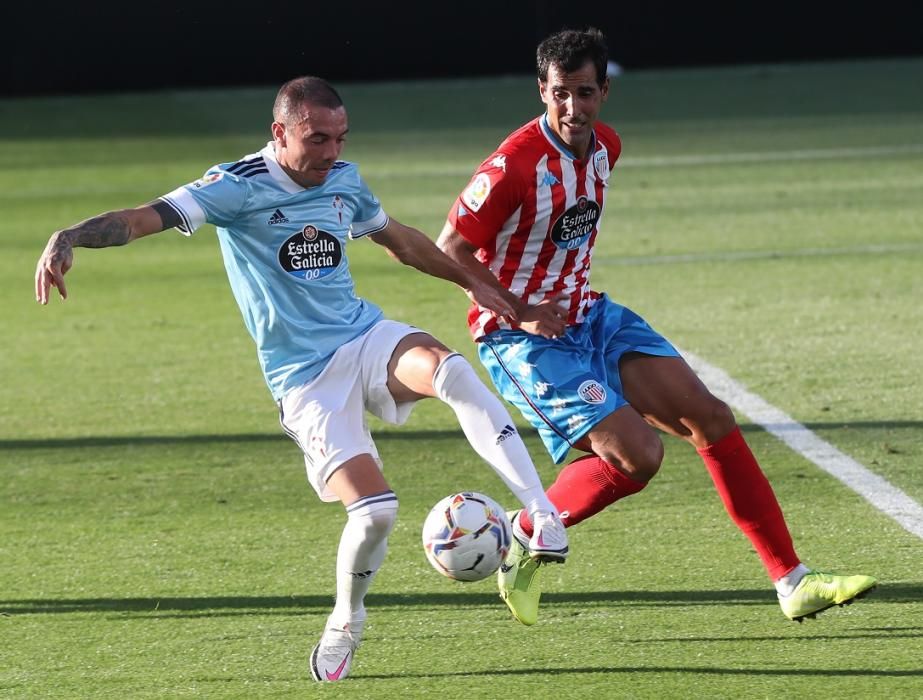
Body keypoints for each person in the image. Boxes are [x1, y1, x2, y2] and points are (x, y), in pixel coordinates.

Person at [34, 76, 569, 682]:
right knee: (376, 515)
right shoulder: (236, 186)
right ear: (280, 133)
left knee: (452, 372)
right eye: (318, 138)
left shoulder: (343, 179)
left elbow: (400, 240)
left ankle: (540, 514)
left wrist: (475, 284)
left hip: (362, 336)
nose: (332, 152)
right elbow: (140, 218)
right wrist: (71, 235)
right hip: (305, 379)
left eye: (341, 138)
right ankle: (346, 619)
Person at [436, 28, 876, 627]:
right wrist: (522, 309)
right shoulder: (513, 165)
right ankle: (526, 533)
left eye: (585, 93)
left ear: (604, 91)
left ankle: (792, 582)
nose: (572, 108)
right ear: (542, 89)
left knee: (710, 416)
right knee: (638, 457)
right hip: (521, 335)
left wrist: (562, 301)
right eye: (560, 93)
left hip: (590, 314)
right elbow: (450, 249)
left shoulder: (606, 148)